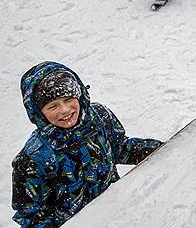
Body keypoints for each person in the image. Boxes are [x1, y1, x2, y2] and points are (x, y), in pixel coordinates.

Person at [11, 61, 162, 227]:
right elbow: (32, 217)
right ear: (37, 112)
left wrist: (164, 150)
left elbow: (121, 148)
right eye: (53, 106)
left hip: (119, 213)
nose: (65, 110)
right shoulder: (33, 159)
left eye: (69, 99)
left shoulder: (99, 117)